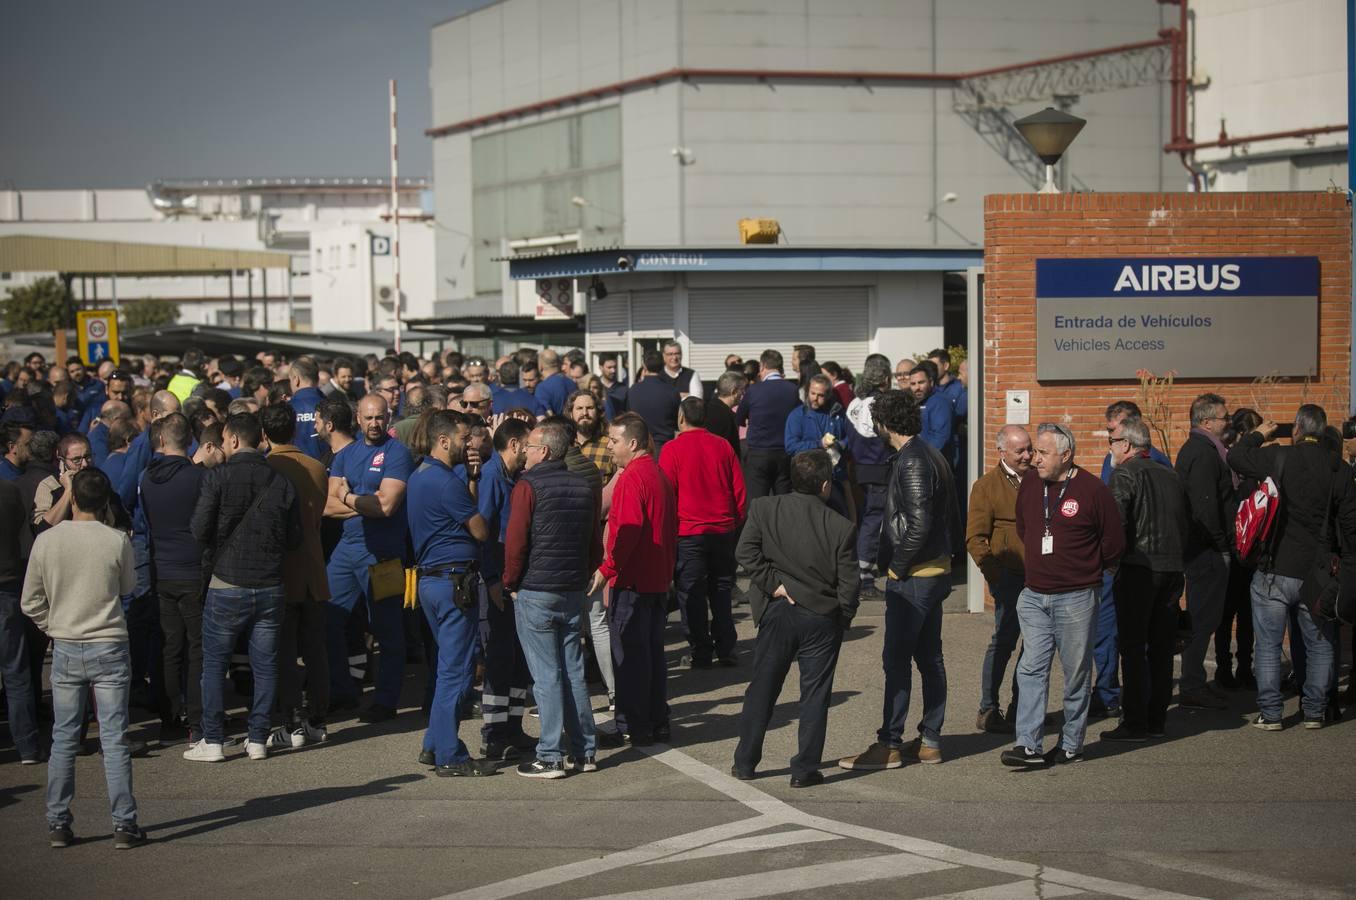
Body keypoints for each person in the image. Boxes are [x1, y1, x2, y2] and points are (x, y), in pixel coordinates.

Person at [22, 468, 146, 848]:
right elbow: (128, 587)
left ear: (72, 498)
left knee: (63, 737)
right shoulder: (115, 540)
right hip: (108, 642)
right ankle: (124, 824)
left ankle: (58, 821)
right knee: (113, 738)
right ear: (106, 501)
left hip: (66, 644)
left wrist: (54, 624)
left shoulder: (47, 541)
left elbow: (30, 601)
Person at [839, 389, 959, 771]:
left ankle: (889, 744)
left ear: (885, 423)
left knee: (898, 661)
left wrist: (897, 567)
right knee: (928, 658)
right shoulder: (925, 454)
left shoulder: (913, 460)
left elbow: (920, 522)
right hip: (932, 570)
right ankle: (929, 740)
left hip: (917, 576)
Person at [1001, 423, 1124, 768]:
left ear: (1066, 455)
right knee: (1031, 669)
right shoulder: (1030, 483)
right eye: (1035, 452)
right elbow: (1025, 528)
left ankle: (1072, 744)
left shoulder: (1093, 490)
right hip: (1035, 595)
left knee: (1076, 675)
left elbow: (1113, 542)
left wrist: (1088, 572)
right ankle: (1028, 745)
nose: (1034, 459)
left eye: (1043, 453)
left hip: (1076, 598)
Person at [734, 449, 857, 786]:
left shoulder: (764, 508)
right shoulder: (840, 526)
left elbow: (745, 552)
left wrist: (774, 586)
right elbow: (849, 581)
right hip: (821, 617)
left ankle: (745, 761)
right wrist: (843, 617)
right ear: (825, 486)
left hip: (778, 613)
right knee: (815, 695)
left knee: (762, 689)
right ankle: (804, 770)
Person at [1227, 405, 1353, 730]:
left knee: (1268, 644)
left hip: (1275, 566)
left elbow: (1236, 456)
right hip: (1318, 571)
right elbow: (1351, 525)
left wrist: (1260, 433)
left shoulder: (1279, 457)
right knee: (1320, 642)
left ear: (1297, 428)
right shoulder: (1338, 468)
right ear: (1324, 431)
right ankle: (1314, 711)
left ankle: (1270, 714)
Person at [185, 413, 300, 763]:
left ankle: (214, 740)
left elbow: (199, 529)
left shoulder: (217, 477)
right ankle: (258, 739)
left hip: (226, 582)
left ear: (232, 440)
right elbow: (294, 537)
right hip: (269, 583)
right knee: (265, 665)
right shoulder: (281, 481)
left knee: (214, 664)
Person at [502, 418, 604, 777]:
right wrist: (586, 571)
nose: (524, 453)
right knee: (573, 671)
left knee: (546, 675)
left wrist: (510, 581)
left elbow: (516, 541)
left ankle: (550, 754)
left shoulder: (527, 485)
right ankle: (585, 751)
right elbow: (594, 541)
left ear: (543, 451)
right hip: (571, 589)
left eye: (529, 447)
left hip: (537, 589)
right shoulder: (582, 486)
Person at [407, 411, 496, 777]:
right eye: (463, 438)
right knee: (456, 673)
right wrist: (470, 485)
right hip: (453, 582)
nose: (469, 444)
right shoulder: (445, 482)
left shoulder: (421, 476)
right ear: (444, 441)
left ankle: (433, 743)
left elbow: (464, 509)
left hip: (432, 581)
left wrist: (472, 478)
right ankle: (450, 753)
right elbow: (480, 529)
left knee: (447, 665)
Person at [324, 394, 415, 723]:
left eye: (380, 417)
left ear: (388, 418)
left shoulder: (398, 453)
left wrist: (348, 496)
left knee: (387, 628)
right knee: (327, 617)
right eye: (368, 418)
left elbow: (386, 506)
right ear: (358, 420)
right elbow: (326, 506)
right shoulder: (346, 454)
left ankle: (386, 700)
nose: (374, 423)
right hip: (347, 550)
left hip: (385, 554)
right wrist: (365, 502)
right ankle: (342, 691)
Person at [592, 413, 679, 744]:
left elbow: (626, 533)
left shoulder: (631, 479)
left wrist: (607, 570)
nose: (610, 448)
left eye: (613, 441)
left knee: (629, 657)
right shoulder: (658, 475)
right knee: (653, 655)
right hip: (656, 579)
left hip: (634, 582)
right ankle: (657, 720)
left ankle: (631, 724)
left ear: (632, 443)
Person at [1104, 416, 1189, 742]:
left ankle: (1135, 721)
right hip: (1170, 569)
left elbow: (1116, 524)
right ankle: (1155, 719)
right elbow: (1186, 522)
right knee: (1162, 647)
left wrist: (1111, 563)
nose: (1110, 447)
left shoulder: (1124, 473)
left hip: (1139, 568)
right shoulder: (1170, 475)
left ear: (1125, 444)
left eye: (1113, 441)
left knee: (1134, 647)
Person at [259, 403, 332, 749]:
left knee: (284, 651)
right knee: (316, 648)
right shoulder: (317, 467)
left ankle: (289, 720)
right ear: (294, 430)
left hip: (279, 570)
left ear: (264, 433)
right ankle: (318, 718)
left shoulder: (266, 468)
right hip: (313, 565)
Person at [1093, 401, 1172, 718]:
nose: (1109, 439)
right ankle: (1119, 696)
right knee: (1115, 632)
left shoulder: (1148, 464)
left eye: (1112, 432)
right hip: (1148, 561)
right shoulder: (1112, 461)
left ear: (1129, 434)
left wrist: (1108, 556)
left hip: (1133, 562)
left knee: (1135, 640)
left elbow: (1116, 516)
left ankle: (1130, 706)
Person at [659, 398, 746, 670]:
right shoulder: (722, 446)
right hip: (721, 529)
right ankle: (726, 647)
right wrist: (734, 522)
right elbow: (740, 492)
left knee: (692, 593)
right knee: (721, 589)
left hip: (688, 533)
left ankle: (701, 650)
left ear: (681, 419)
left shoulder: (671, 450)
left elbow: (667, 496)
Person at [138, 413, 206, 745]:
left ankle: (168, 720)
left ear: (161, 440)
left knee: (170, 648)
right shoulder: (197, 477)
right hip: (192, 570)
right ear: (189, 439)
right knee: (196, 649)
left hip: (161, 571)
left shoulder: (147, 478)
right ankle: (197, 720)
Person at [475, 417, 536, 760]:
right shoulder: (490, 478)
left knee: (516, 659)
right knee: (499, 658)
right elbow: (483, 533)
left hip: (512, 581)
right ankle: (493, 734)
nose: (529, 452)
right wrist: (493, 579)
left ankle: (512, 727)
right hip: (495, 581)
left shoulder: (513, 478)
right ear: (514, 445)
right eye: (527, 445)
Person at [966, 425, 1031, 734]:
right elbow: (975, 539)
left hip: (1040, 577)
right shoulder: (986, 487)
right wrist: (996, 576)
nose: (1028, 456)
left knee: (1036, 646)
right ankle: (988, 708)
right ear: (1002, 451)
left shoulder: (1038, 479)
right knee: (1004, 641)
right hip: (1009, 578)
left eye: (1029, 449)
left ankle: (1024, 708)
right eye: (1020, 451)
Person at [1174, 393, 1236, 709]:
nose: (1228, 422)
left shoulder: (1207, 450)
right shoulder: (1201, 453)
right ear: (1207, 421)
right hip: (1206, 551)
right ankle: (1192, 684)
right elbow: (1205, 507)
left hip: (1206, 549)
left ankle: (1195, 680)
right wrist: (1222, 545)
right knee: (1201, 619)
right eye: (1224, 417)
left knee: (1205, 618)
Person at [1217, 407, 1262, 691]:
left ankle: (1240, 667)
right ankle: (1229, 668)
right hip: (1237, 548)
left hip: (1246, 549)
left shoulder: (1243, 462)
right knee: (1232, 614)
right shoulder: (1231, 461)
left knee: (1242, 614)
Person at [845, 354, 893, 600]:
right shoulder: (883, 403)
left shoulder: (854, 403)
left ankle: (864, 572)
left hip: (859, 469)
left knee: (867, 520)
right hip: (880, 468)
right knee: (874, 522)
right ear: (886, 377)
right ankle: (865, 578)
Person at [0, 476, 41, 765]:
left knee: (15, 671)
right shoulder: (10, 491)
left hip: (8, 584)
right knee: (15, 670)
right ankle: (27, 745)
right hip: (7, 582)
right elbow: (18, 527)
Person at [735, 349, 801, 498]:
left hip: (759, 452)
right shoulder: (792, 390)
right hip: (785, 452)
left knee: (757, 503)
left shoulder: (753, 390)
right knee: (783, 503)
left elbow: (739, 418)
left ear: (762, 366)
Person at [783, 374, 850, 515]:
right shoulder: (797, 415)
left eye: (820, 395)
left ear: (828, 395)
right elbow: (790, 446)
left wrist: (840, 445)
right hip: (807, 478)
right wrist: (818, 444)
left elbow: (849, 438)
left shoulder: (837, 414)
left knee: (839, 516)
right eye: (812, 393)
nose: (815, 398)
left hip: (834, 476)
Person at [906, 362, 953, 462]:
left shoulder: (940, 402)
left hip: (934, 463)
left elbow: (940, 438)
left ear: (931, 382)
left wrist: (920, 458)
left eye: (921, 382)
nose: (917, 387)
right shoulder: (917, 401)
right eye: (913, 384)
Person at [287, 358, 327, 460]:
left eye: (290, 379)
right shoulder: (330, 406)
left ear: (296, 379)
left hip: (293, 467)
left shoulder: (287, 408)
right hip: (325, 470)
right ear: (317, 378)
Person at [704, 370, 746, 462]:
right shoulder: (727, 416)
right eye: (742, 390)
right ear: (734, 391)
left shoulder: (705, 409)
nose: (743, 394)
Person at [533, 349, 575, 416]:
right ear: (558, 364)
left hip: (555, 425)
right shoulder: (572, 383)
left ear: (541, 366)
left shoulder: (542, 388)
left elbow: (546, 417)